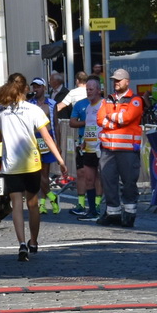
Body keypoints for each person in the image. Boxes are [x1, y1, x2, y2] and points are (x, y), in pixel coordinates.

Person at [0, 74, 64, 261]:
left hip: (11, 165)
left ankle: (21, 243)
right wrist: (60, 160)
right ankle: (33, 241)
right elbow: (47, 138)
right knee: (32, 204)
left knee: (17, 204)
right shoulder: (33, 109)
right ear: (26, 89)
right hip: (31, 163)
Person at [95, 69, 146, 227]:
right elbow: (99, 119)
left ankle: (129, 214)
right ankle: (113, 214)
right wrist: (116, 121)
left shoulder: (135, 100)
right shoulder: (107, 100)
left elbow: (128, 118)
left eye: (119, 80)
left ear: (127, 81)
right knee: (108, 181)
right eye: (114, 80)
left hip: (127, 150)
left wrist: (111, 119)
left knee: (129, 182)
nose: (116, 83)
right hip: (108, 149)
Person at [68, 77, 104, 220]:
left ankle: (104, 208)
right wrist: (84, 141)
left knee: (101, 178)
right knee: (88, 179)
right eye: (87, 89)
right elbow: (89, 127)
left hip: (102, 148)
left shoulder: (104, 105)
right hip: (88, 147)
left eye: (91, 89)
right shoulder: (88, 107)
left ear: (98, 90)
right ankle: (92, 211)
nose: (88, 92)